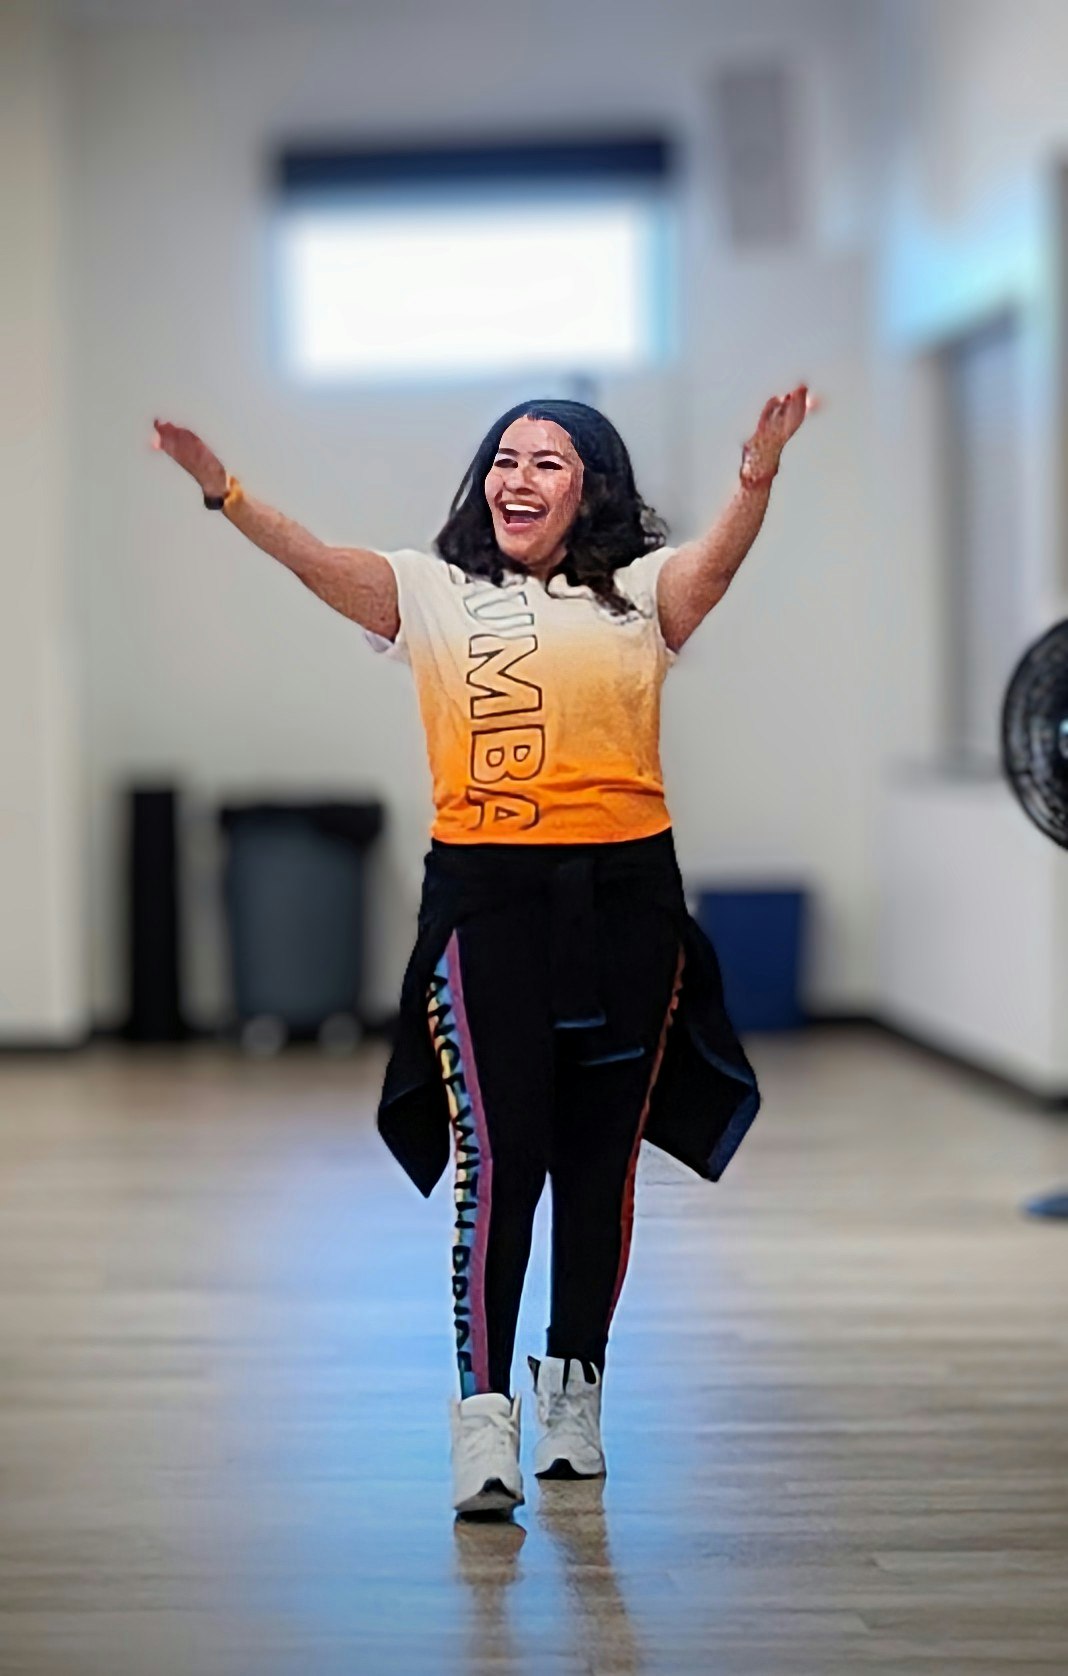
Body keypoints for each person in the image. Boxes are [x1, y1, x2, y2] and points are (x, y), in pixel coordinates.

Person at [151, 385, 816, 1518]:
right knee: (501, 1162)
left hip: (626, 900)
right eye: (505, 458)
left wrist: (756, 476)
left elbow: (716, 564)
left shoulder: (640, 593)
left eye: (548, 462)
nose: (518, 477)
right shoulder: (430, 588)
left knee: (600, 1166)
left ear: (590, 489)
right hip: (488, 900)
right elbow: (316, 560)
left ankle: (574, 1395)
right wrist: (227, 493)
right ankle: (483, 1417)